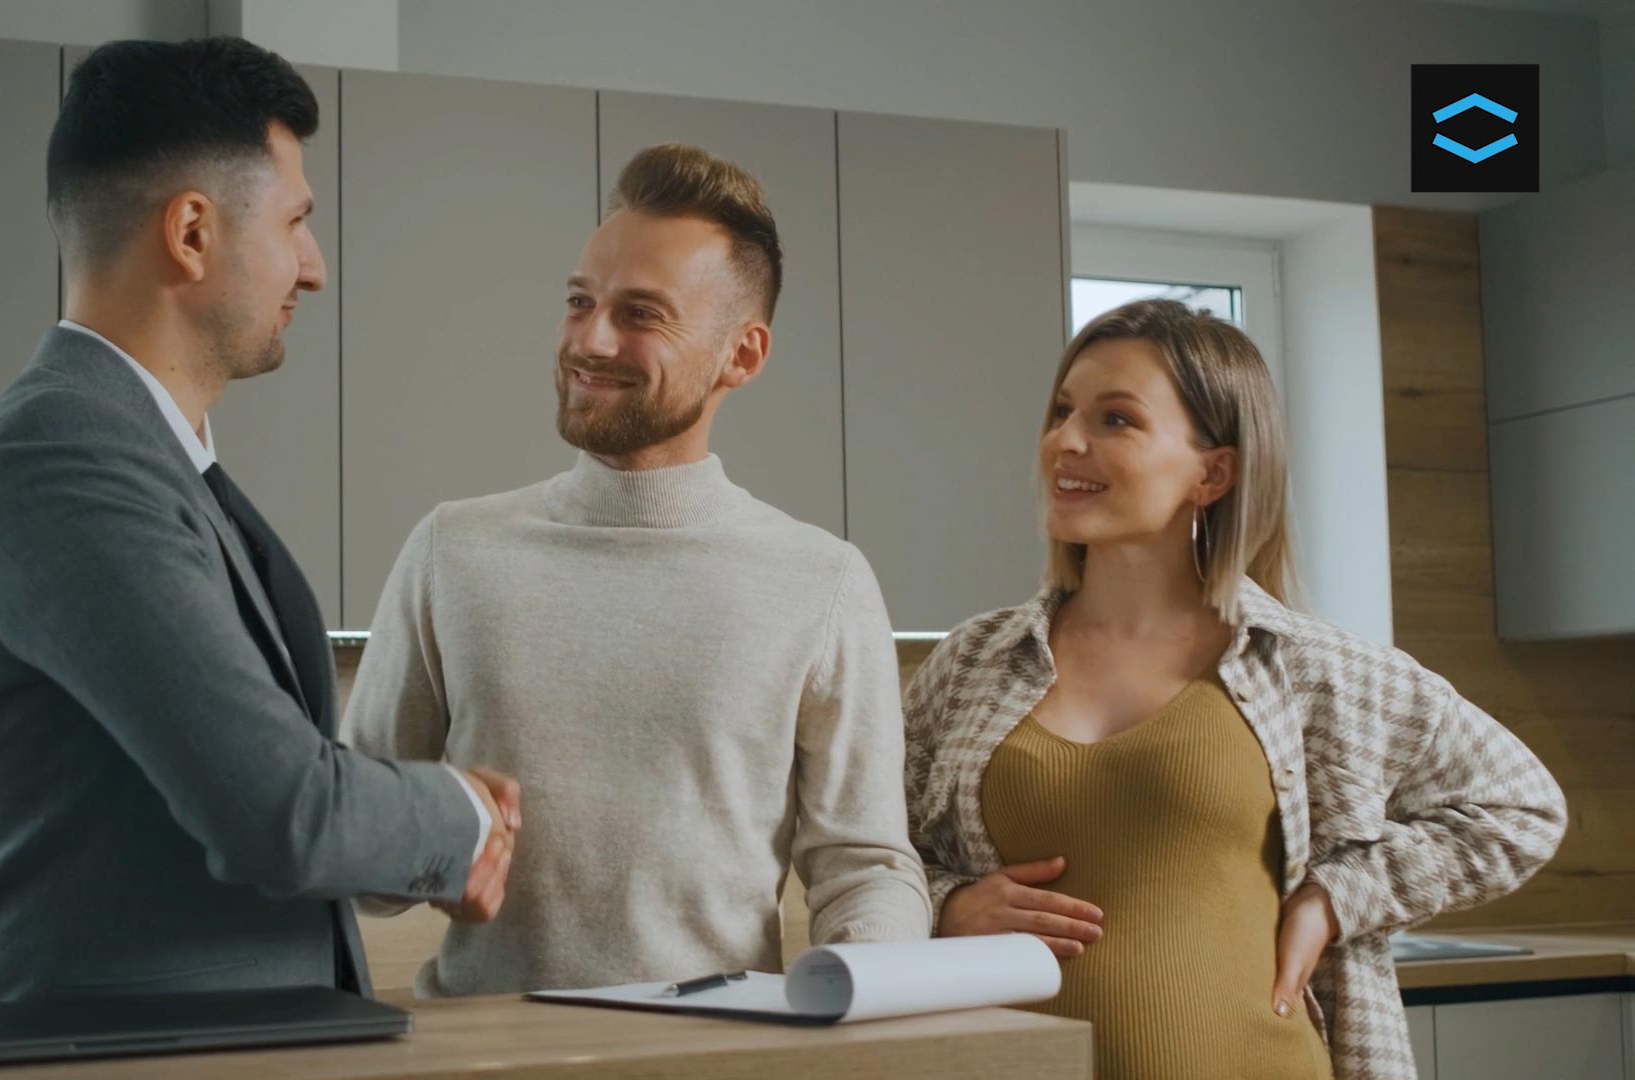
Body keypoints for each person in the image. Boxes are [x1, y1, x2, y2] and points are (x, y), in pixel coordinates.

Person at [0, 37, 517, 1004]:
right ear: (192, 233)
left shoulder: (142, 454)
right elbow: (277, 806)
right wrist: (462, 818)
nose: (313, 268)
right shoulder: (60, 457)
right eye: (296, 222)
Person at [903, 299, 1566, 1080]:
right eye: (1061, 411)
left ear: (1212, 472)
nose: (1065, 441)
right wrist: (946, 905)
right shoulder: (973, 662)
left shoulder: (1314, 668)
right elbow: (864, 850)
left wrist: (1335, 898)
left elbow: (1524, 807)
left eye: (1116, 419)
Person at [342, 143, 930, 997]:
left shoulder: (823, 582)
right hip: (485, 1057)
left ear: (743, 355)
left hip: (720, 1055)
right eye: (581, 301)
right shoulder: (453, 552)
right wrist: (430, 840)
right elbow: (351, 851)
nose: (590, 339)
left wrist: (861, 984)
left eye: (642, 314)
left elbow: (865, 864)